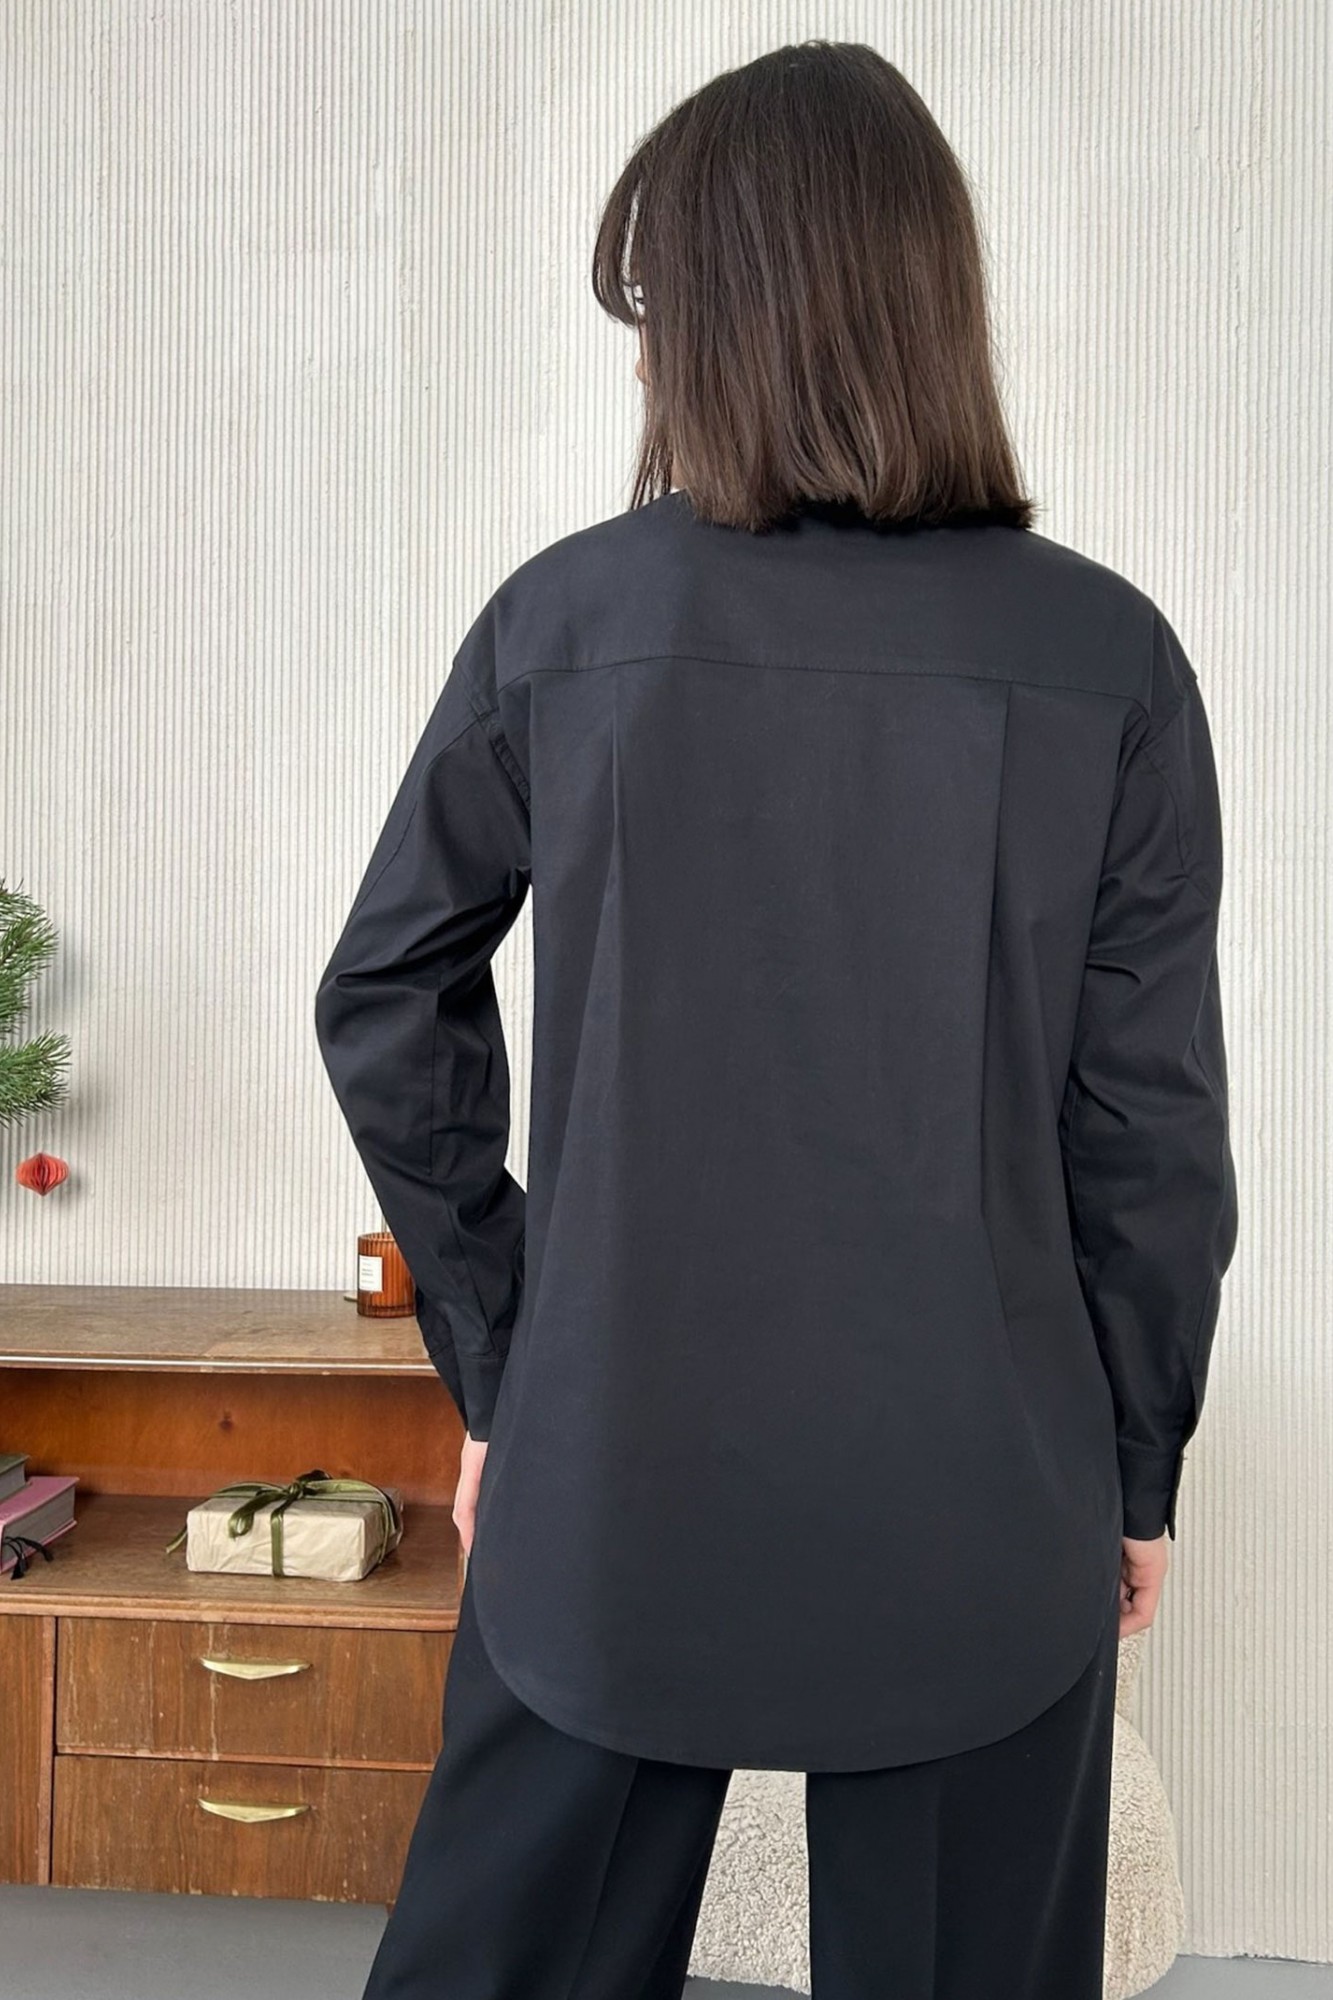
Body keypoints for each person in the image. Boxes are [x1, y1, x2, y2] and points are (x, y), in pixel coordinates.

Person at [314, 38, 1239, 2000]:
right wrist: (1133, 1465)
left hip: (609, 1472)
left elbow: (388, 997)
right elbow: (1146, 1130)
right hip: (982, 1495)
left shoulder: (563, 625)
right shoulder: (1107, 658)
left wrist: (507, 1365)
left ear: (712, 318)